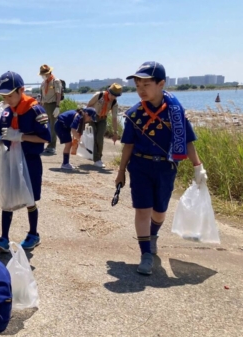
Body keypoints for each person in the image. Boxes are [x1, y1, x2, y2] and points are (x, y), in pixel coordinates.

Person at [115, 62, 207, 275]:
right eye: (138, 84)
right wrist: (121, 172)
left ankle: (153, 234)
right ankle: (145, 253)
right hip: (140, 166)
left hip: (166, 167)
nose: (141, 89)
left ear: (161, 84)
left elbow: (188, 142)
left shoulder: (175, 111)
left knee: (160, 212)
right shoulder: (135, 114)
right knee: (143, 210)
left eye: (146, 84)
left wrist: (197, 166)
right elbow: (128, 145)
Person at [0, 71, 51, 252]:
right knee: (8, 197)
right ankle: (3, 238)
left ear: (21, 90)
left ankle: (33, 234)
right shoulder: (7, 113)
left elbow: (45, 137)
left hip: (30, 160)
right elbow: (5, 137)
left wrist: (22, 136)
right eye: (4, 96)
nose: (7, 99)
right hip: (11, 159)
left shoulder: (35, 110)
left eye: (10, 95)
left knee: (30, 198)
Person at [87, 83, 122, 168]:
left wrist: (115, 132)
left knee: (100, 138)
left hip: (103, 119)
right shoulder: (99, 95)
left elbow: (114, 118)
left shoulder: (114, 103)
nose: (113, 97)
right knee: (93, 138)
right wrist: (87, 117)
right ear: (108, 91)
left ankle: (98, 157)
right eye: (113, 95)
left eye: (116, 96)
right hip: (92, 117)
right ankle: (97, 159)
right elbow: (89, 105)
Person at [39, 64, 62, 156]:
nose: (43, 76)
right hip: (45, 105)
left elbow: (58, 94)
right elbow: (41, 96)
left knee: (53, 126)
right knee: (46, 126)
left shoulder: (56, 81)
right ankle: (48, 145)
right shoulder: (43, 83)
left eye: (45, 74)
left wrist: (57, 106)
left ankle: (52, 146)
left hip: (52, 105)